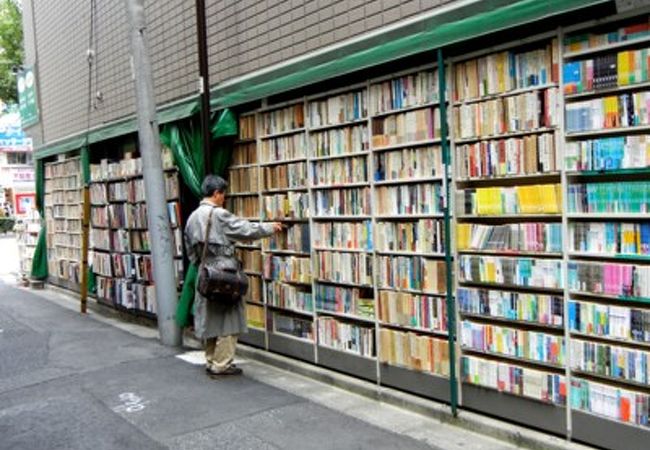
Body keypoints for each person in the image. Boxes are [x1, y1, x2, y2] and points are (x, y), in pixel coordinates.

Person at [184, 175, 282, 376]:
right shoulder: (219, 215)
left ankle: (211, 359)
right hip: (225, 272)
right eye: (223, 194)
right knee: (230, 317)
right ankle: (222, 363)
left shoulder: (192, 217)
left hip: (205, 271)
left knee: (210, 316)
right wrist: (270, 228)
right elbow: (245, 230)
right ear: (217, 193)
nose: (224, 198)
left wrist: (203, 264)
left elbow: (190, 252)